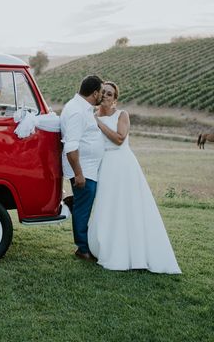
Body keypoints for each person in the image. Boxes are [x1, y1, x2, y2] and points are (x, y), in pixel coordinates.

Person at [88, 82, 181, 273]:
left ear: (115, 99)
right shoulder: (91, 116)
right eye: (103, 92)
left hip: (122, 164)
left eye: (110, 93)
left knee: (129, 206)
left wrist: (98, 123)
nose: (105, 95)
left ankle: (135, 252)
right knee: (108, 206)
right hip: (104, 165)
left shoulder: (121, 115)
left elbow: (120, 139)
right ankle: (108, 246)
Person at [60, 75, 104, 261]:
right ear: (95, 93)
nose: (102, 95)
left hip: (89, 167)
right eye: (102, 92)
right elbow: (71, 146)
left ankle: (84, 245)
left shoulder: (82, 108)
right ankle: (83, 249)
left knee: (83, 205)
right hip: (84, 169)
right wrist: (79, 174)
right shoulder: (77, 111)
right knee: (83, 209)